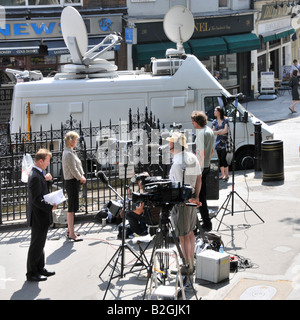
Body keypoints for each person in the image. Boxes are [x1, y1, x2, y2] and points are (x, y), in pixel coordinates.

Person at [166, 132, 202, 275]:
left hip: (182, 202)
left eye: (170, 145)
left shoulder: (177, 164)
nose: (168, 148)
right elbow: (199, 178)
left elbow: (173, 185)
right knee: (190, 232)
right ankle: (190, 263)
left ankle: (187, 265)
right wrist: (197, 196)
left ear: (176, 146)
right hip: (192, 198)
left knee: (183, 235)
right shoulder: (192, 157)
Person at [26, 148, 57, 282]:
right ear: (40, 161)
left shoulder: (39, 174)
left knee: (40, 243)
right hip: (38, 216)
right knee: (36, 244)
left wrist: (48, 180)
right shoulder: (34, 176)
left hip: (41, 216)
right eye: (47, 161)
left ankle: (40, 268)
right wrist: (50, 207)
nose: (48, 164)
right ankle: (32, 273)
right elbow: (36, 199)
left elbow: (43, 191)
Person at [191, 111, 215, 231]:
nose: (192, 123)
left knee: (197, 197)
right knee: (202, 196)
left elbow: (201, 152)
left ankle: (202, 224)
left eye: (193, 121)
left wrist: (198, 168)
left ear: (197, 122)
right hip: (207, 165)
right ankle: (206, 223)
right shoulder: (209, 131)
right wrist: (207, 162)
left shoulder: (201, 134)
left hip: (200, 168)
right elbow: (211, 151)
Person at [62, 131, 86, 241]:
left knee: (73, 207)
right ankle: (71, 233)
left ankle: (70, 231)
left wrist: (81, 176)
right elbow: (73, 169)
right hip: (71, 182)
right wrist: (80, 177)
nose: (76, 141)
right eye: (75, 140)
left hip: (73, 181)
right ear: (71, 141)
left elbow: (77, 166)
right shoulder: (68, 154)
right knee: (71, 208)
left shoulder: (70, 152)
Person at [126, 172, 160, 236]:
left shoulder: (146, 193)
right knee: (142, 212)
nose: (139, 183)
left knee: (129, 214)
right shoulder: (154, 188)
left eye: (140, 181)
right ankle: (144, 230)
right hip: (161, 217)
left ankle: (138, 233)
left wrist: (130, 209)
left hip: (153, 219)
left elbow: (139, 211)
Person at [211, 106, 229, 181]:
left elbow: (226, 131)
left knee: (223, 158)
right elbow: (212, 132)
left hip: (224, 142)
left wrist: (218, 132)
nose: (214, 112)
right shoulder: (214, 121)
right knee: (220, 159)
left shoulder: (225, 120)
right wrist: (220, 131)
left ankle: (227, 175)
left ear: (219, 112)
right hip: (218, 143)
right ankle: (222, 175)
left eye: (215, 111)